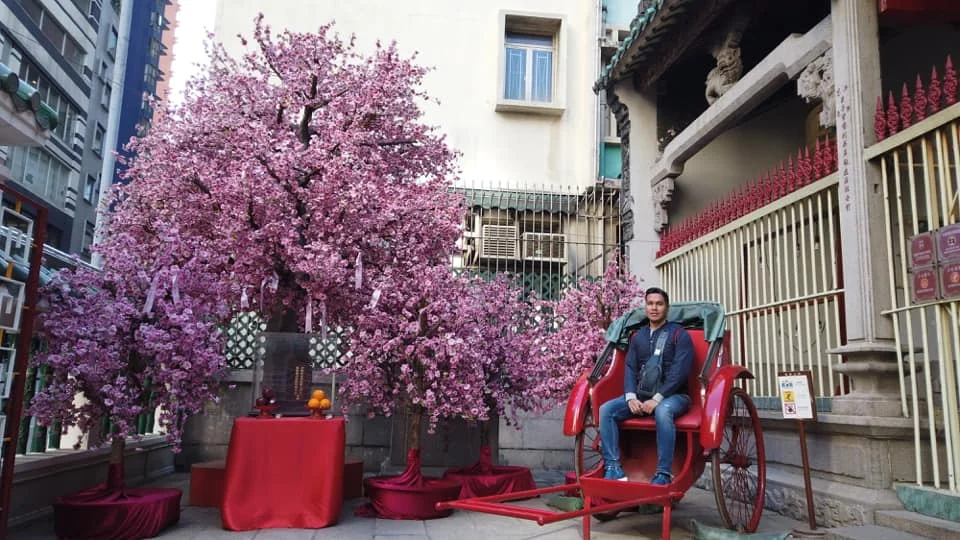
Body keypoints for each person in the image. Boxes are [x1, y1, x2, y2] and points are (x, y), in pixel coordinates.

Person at [598, 287, 694, 484]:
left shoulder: (679, 334)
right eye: (650, 304)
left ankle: (663, 473)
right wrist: (631, 396)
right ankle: (613, 467)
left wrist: (657, 399)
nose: (654, 308)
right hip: (641, 396)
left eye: (659, 304)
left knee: (663, 411)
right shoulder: (639, 337)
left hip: (675, 397)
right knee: (606, 409)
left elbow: (680, 372)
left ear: (666, 308)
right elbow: (630, 368)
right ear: (645, 307)